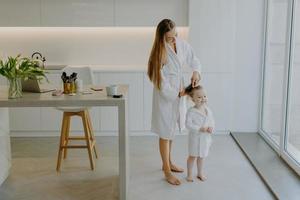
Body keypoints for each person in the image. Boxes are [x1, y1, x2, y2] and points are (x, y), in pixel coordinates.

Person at [147, 19, 202, 185]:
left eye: (175, 35)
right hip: (167, 97)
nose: (174, 39)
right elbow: (160, 82)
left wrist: (196, 73)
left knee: (171, 131)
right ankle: (166, 170)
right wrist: (176, 93)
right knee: (165, 133)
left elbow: (194, 59)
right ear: (162, 37)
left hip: (178, 95)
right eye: (170, 38)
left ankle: (169, 162)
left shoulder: (181, 44)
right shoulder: (160, 52)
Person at [185, 84, 215, 182]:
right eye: (199, 97)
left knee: (202, 157)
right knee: (192, 156)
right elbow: (188, 124)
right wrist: (199, 128)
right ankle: (189, 174)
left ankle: (200, 173)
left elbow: (212, 121)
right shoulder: (191, 111)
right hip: (195, 139)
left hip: (205, 138)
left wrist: (211, 128)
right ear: (193, 99)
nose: (203, 99)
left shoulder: (208, 110)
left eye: (204, 96)